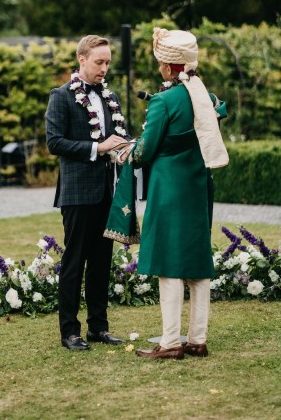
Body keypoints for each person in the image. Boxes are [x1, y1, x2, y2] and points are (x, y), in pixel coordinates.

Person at [108, 27, 229, 360]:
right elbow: (220, 113)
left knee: (169, 263)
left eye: (161, 61)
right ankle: (198, 339)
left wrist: (126, 150)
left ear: (169, 66)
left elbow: (145, 152)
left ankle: (171, 342)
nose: (159, 66)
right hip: (198, 185)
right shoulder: (204, 94)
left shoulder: (163, 100)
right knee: (197, 260)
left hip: (169, 188)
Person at [45, 35, 130, 351]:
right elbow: (55, 143)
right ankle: (70, 332)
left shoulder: (111, 97)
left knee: (101, 261)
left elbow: (119, 135)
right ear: (82, 59)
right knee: (74, 261)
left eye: (108, 62)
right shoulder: (61, 97)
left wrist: (126, 146)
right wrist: (98, 147)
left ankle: (99, 328)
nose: (104, 68)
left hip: (107, 192)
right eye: (99, 62)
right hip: (78, 194)